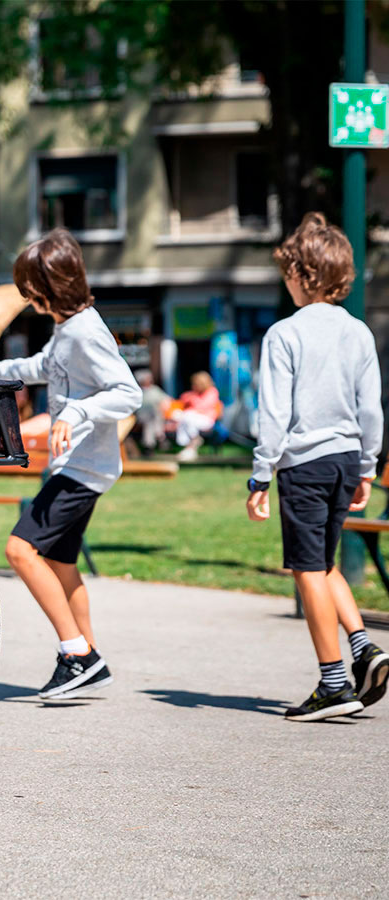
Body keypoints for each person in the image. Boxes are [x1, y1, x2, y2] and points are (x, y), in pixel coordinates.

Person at [0, 229, 141, 700]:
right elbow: (39, 369)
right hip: (78, 467)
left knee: (20, 550)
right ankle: (89, 656)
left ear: (47, 286)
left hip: (81, 468)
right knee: (60, 561)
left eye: (28, 286)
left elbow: (127, 393)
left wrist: (76, 412)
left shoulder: (86, 331)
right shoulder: (69, 329)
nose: (24, 295)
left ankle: (77, 654)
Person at [246, 212, 388, 722]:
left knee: (306, 569)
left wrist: (261, 475)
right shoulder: (359, 333)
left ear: (302, 276)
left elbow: (275, 414)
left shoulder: (285, 334)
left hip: (304, 464)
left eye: (287, 271)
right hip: (348, 458)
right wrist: (367, 467)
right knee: (325, 561)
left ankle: (333, 683)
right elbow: (372, 409)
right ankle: (363, 649)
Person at [170, 370, 220, 461]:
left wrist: (192, 401)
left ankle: (193, 442)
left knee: (187, 417)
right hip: (193, 419)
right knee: (184, 417)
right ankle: (191, 445)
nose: (193, 386)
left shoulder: (212, 392)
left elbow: (202, 406)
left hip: (207, 419)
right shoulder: (195, 393)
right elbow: (183, 397)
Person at [134, 369, 171, 453]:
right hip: (141, 417)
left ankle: (149, 445)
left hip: (156, 416)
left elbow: (167, 400)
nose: (150, 380)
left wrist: (163, 406)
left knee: (152, 417)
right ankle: (160, 436)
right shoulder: (137, 391)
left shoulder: (155, 389)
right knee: (151, 416)